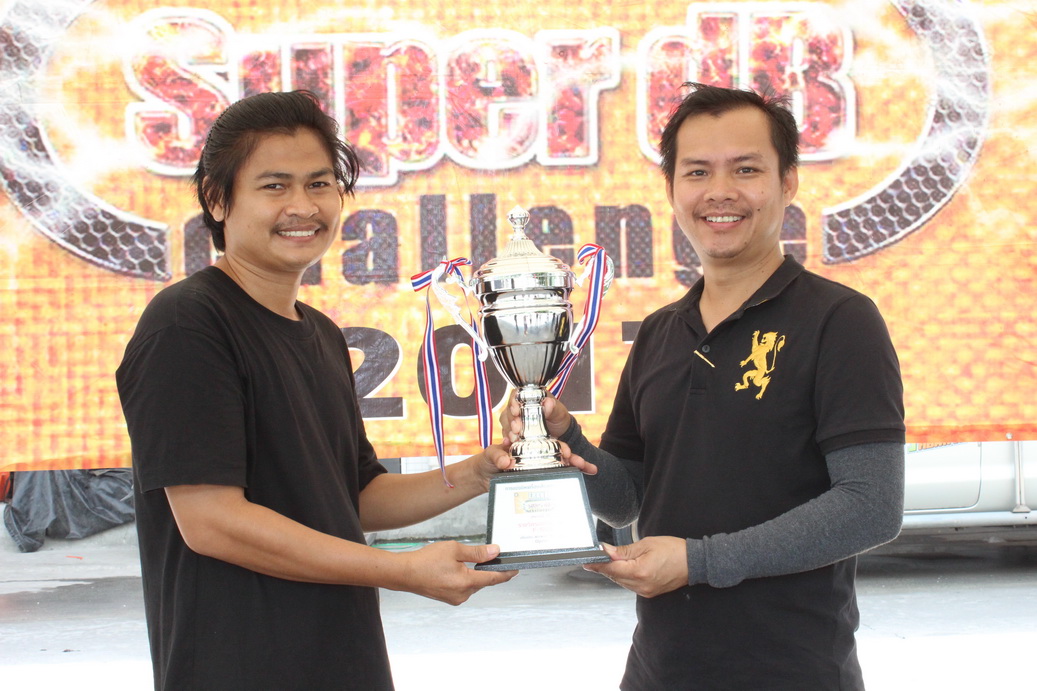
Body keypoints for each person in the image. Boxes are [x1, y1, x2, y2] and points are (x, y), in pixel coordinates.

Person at [116, 90, 541, 690]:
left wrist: (482, 472)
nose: (303, 207)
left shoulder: (319, 333)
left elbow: (357, 497)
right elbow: (211, 521)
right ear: (217, 198)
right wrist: (401, 570)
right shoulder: (188, 324)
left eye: (319, 184)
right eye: (275, 186)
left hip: (343, 660)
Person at [503, 83, 906, 689]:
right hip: (658, 670)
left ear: (788, 182)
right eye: (697, 172)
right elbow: (626, 499)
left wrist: (699, 562)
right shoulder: (660, 332)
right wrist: (565, 441)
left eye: (746, 169)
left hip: (794, 673)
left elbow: (871, 507)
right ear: (671, 190)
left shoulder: (840, 320)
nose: (720, 192)